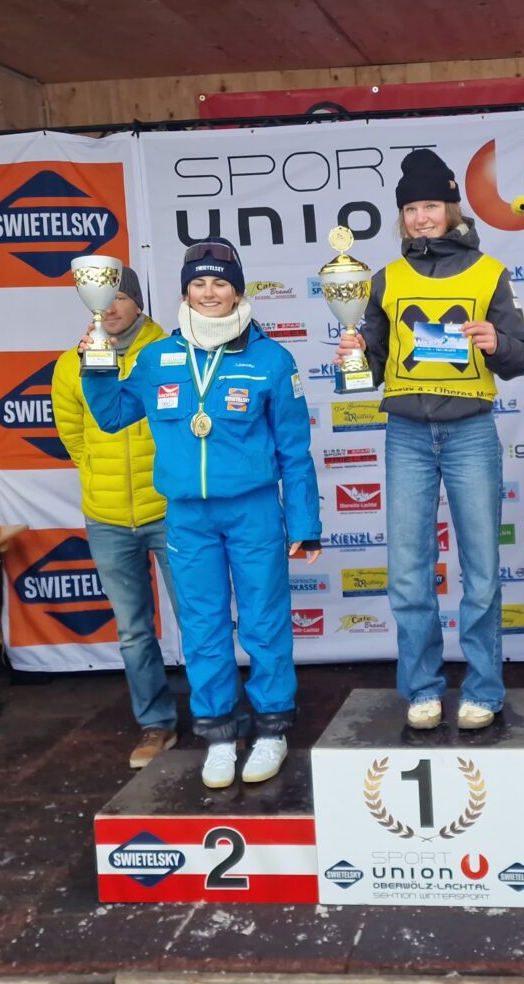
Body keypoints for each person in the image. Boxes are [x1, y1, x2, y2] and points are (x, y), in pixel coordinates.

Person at [82, 237, 322, 789]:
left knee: (264, 621)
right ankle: (217, 733)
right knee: (202, 625)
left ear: (237, 290)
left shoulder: (270, 359)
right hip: (187, 517)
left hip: (253, 511)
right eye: (198, 283)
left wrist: (305, 525)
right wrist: (96, 366)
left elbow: (294, 451)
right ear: (185, 292)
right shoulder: (156, 357)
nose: (209, 292)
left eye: (219, 283)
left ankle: (271, 728)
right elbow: (114, 415)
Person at [339, 149, 524, 730]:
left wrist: (497, 342)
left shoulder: (490, 272)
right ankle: (422, 688)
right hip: (406, 434)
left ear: (452, 209)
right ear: (401, 218)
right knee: (407, 572)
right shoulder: (384, 279)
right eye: (411, 209)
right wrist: (355, 355)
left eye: (430, 206)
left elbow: (520, 358)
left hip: (470, 431)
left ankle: (484, 689)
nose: (421, 218)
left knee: (481, 569)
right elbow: (374, 363)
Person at [52, 268, 180, 769]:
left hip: (169, 510)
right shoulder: (71, 363)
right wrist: (94, 472)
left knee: (198, 620)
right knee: (133, 631)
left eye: (120, 297)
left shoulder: (168, 352)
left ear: (138, 303)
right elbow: (72, 434)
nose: (110, 307)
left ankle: (219, 719)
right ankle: (156, 724)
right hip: (106, 518)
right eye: (102, 299)